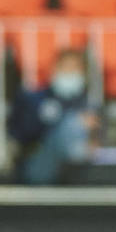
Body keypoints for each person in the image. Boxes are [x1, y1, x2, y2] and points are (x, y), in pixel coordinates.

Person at [7, 47, 102, 185]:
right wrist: (67, 123)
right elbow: (20, 135)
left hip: (80, 170)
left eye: (75, 69)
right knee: (72, 124)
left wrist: (92, 137)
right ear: (54, 69)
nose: (70, 73)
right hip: (40, 166)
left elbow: (100, 144)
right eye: (65, 68)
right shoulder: (33, 99)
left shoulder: (89, 105)